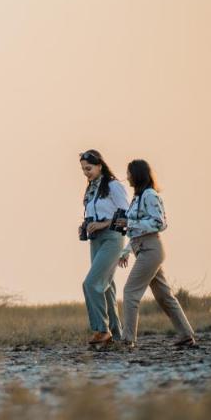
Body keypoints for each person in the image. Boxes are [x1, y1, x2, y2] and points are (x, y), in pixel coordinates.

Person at [117, 159, 197, 348]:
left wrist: (131, 224)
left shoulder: (150, 195)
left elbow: (160, 223)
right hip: (141, 248)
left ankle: (128, 339)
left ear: (136, 174)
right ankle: (186, 335)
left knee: (130, 292)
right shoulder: (137, 198)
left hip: (151, 249)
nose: (126, 177)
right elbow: (136, 230)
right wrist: (126, 251)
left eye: (129, 173)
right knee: (164, 296)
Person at [78, 149, 128, 348]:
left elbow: (125, 213)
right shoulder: (91, 188)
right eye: (83, 170)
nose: (86, 173)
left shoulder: (114, 186)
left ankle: (101, 330)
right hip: (96, 240)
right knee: (106, 288)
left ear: (100, 165)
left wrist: (102, 224)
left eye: (88, 168)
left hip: (112, 238)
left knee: (91, 283)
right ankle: (117, 335)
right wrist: (86, 226)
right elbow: (93, 213)